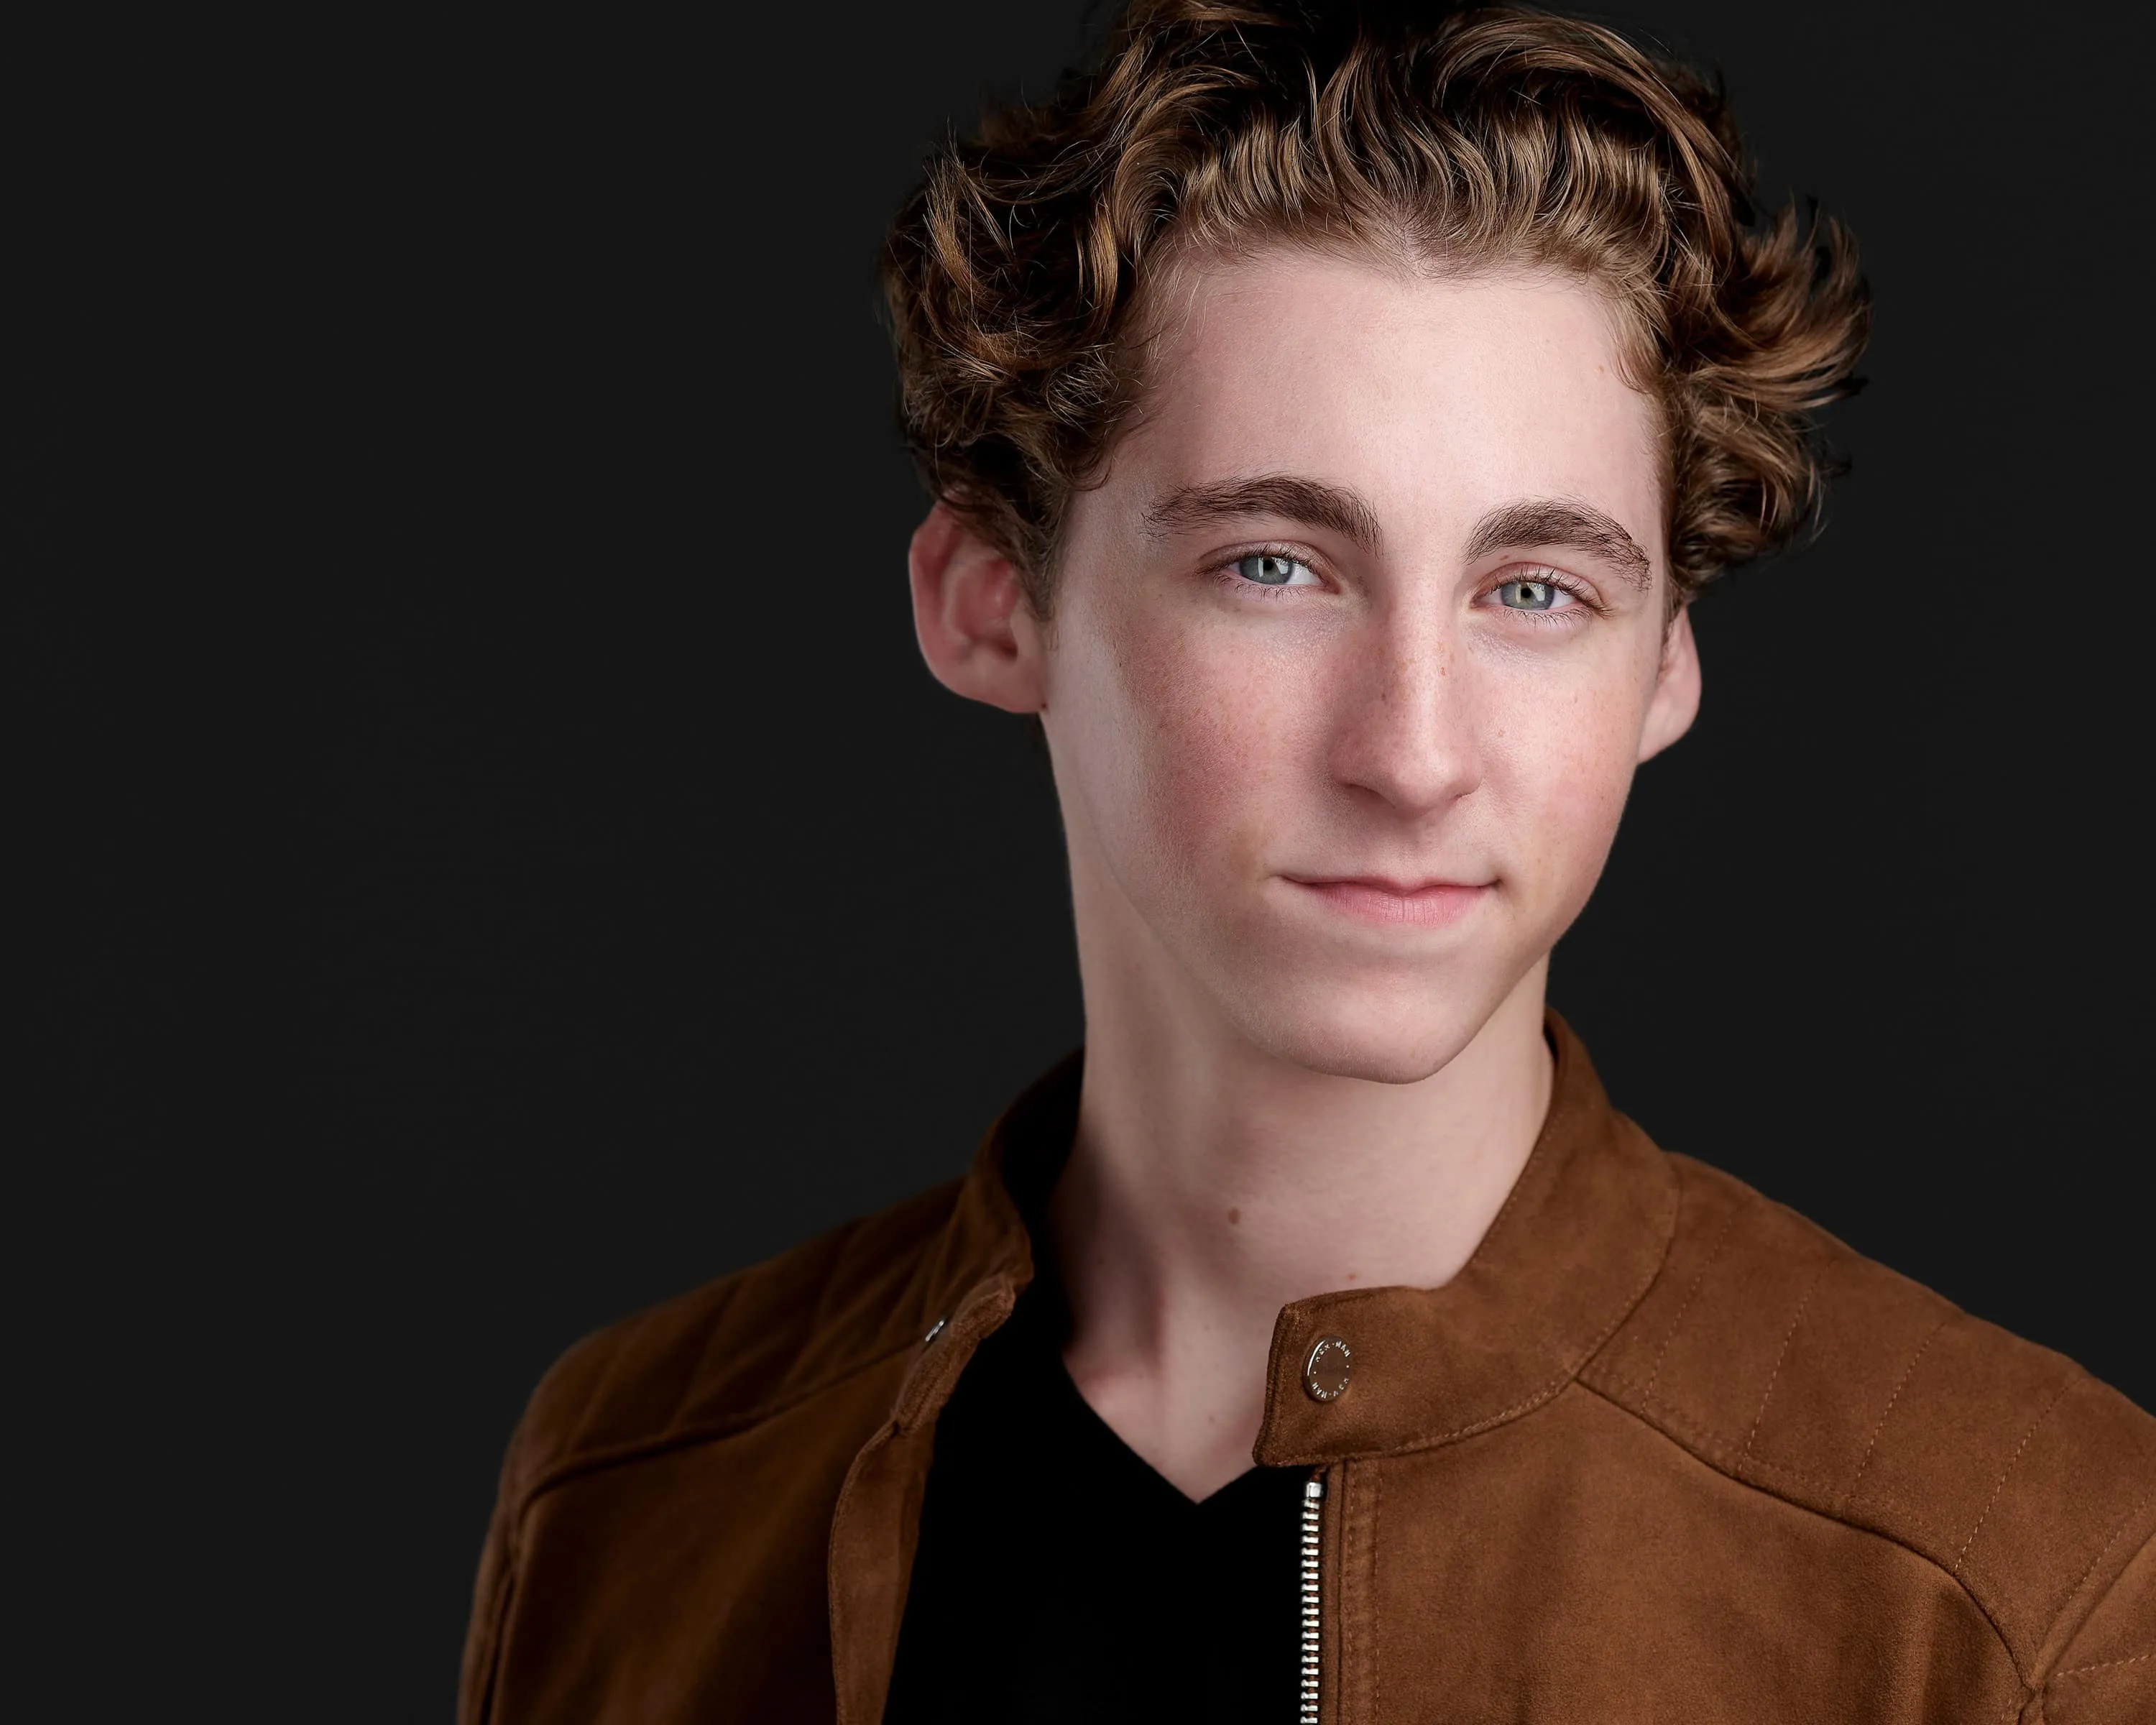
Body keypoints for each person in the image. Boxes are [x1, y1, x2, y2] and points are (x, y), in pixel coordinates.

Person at [459, 4, 2156, 1720]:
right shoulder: (635, 1483)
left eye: (1535, 593)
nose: (1414, 754)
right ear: (991, 600)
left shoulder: (2013, 1584)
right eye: (1276, 566)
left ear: (1665, 668)